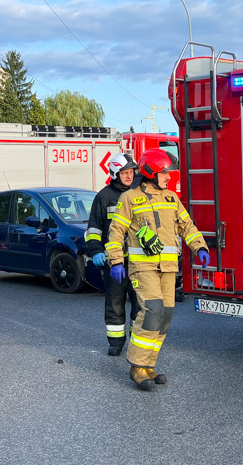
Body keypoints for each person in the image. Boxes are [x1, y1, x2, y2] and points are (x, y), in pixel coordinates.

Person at [106, 148, 209, 391]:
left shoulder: (171, 197)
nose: (169, 177)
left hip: (168, 267)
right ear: (152, 171)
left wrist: (199, 247)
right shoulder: (129, 198)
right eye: (165, 173)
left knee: (165, 315)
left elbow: (187, 226)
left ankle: (148, 365)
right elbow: (116, 232)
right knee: (151, 311)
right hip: (143, 267)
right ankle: (136, 366)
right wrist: (116, 261)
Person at [85, 153, 141, 356]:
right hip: (114, 262)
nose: (129, 176)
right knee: (115, 303)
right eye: (124, 173)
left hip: (138, 260)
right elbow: (94, 229)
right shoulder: (104, 196)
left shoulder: (138, 193)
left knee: (139, 303)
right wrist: (96, 252)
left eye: (131, 172)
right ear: (115, 174)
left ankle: (137, 343)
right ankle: (116, 343)